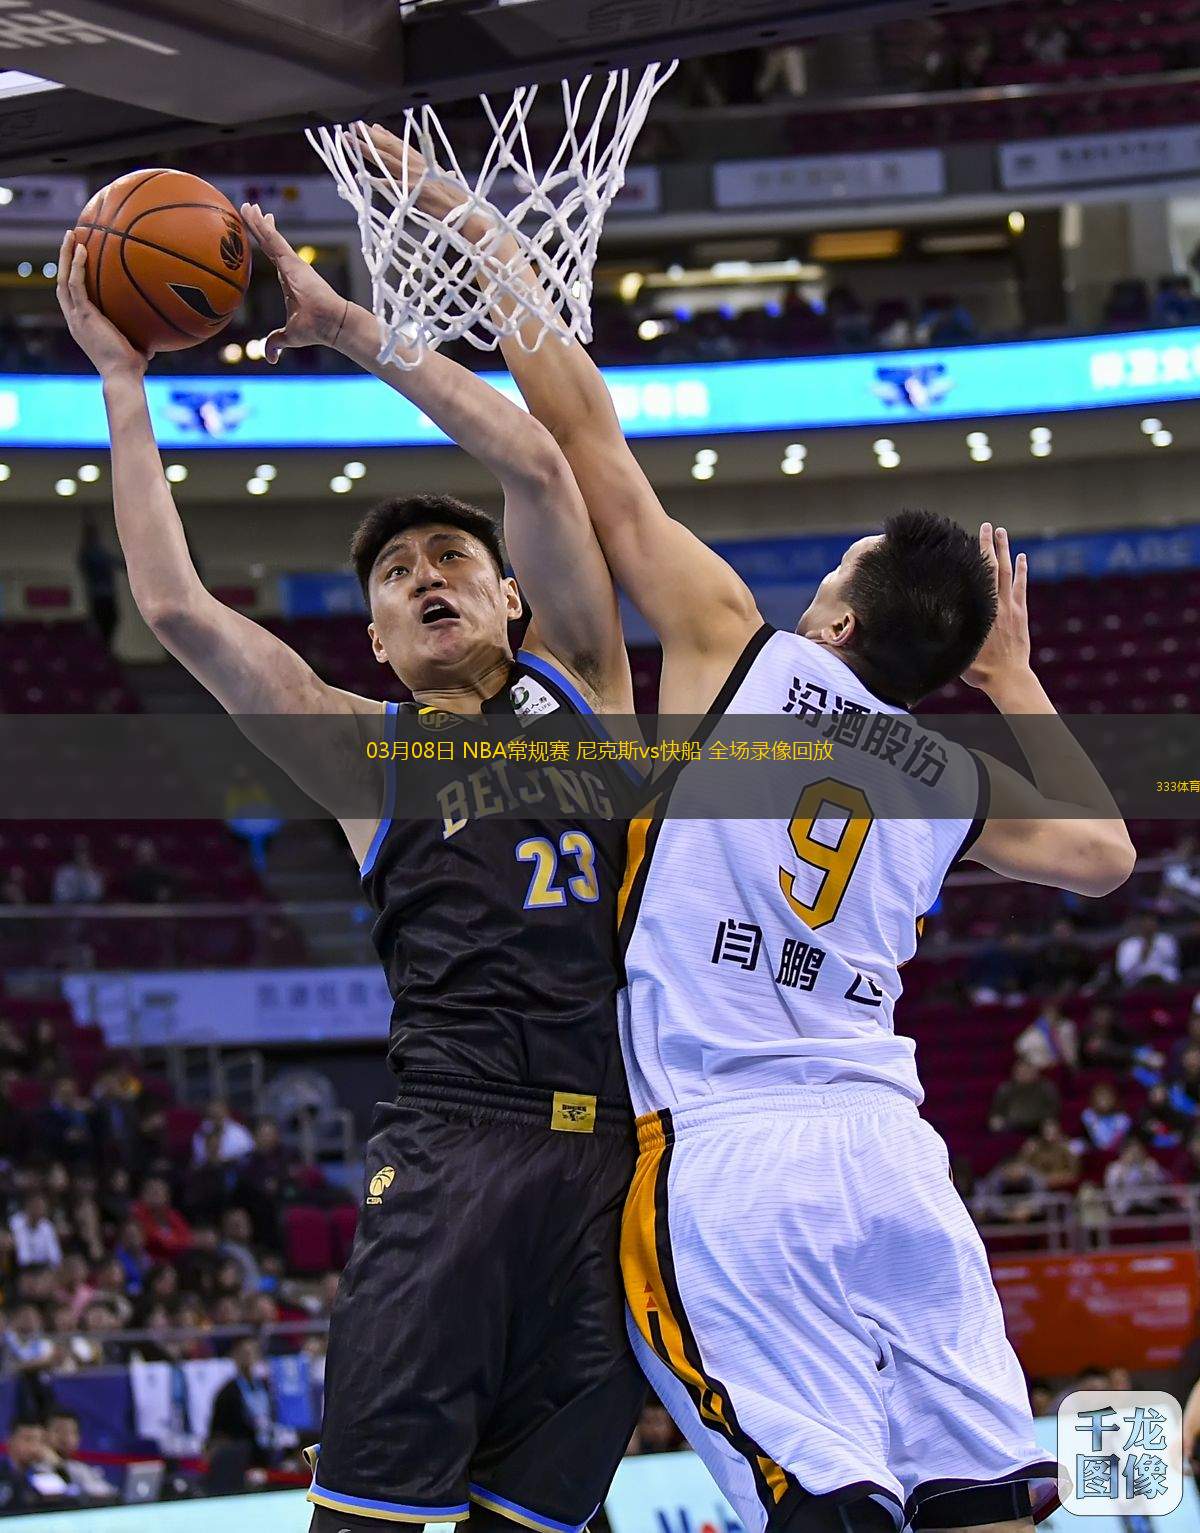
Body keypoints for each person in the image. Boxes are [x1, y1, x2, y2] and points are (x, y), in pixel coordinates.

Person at [377, 130, 1136, 1533]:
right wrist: (1014, 680)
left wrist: (469, 226)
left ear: (836, 624)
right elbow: (1104, 855)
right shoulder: (940, 775)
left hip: (735, 1156)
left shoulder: (742, 656)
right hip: (894, 1153)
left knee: (820, 1505)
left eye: (831, 571)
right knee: (989, 1504)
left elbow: (584, 440)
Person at [57, 207, 646, 1533]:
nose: (426, 574)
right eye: (395, 572)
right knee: (365, 1523)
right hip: (453, 1149)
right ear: (376, 637)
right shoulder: (355, 755)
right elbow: (174, 608)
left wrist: (341, 325)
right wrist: (124, 379)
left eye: (451, 558)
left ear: (512, 602)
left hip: (616, 1158)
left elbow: (544, 473)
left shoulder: (589, 690)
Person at [0, 1418, 78, 1513]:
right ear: (10, 1441)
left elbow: (73, 1497)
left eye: (40, 1441)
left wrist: (57, 1464)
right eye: (28, 1439)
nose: (34, 1446)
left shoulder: (43, 1474)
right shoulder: (3, 1473)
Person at [45, 1408, 119, 1504]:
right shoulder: (38, 1468)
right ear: (45, 1435)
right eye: (59, 1431)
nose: (65, 1438)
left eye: (71, 1432)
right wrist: (57, 1465)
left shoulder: (81, 1468)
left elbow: (107, 1493)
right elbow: (67, 1494)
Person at [988, 1060, 1061, 1136]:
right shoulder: (1005, 1089)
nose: (1024, 1074)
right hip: (1012, 1122)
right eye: (1021, 1072)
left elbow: (1054, 1107)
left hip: (1039, 1122)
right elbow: (997, 1109)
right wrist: (996, 1118)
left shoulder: (1046, 1087)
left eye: (1027, 1071)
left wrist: (1047, 1119)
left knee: (1050, 1126)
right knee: (996, 1124)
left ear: (1035, 1072)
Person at [1013, 1004, 1077, 1071]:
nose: (1051, 1017)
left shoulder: (1067, 1027)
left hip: (1065, 1066)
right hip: (1041, 1068)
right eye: (1048, 1014)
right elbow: (1020, 1048)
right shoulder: (1033, 1032)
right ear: (1041, 1016)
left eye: (1054, 1014)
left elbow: (1071, 1052)